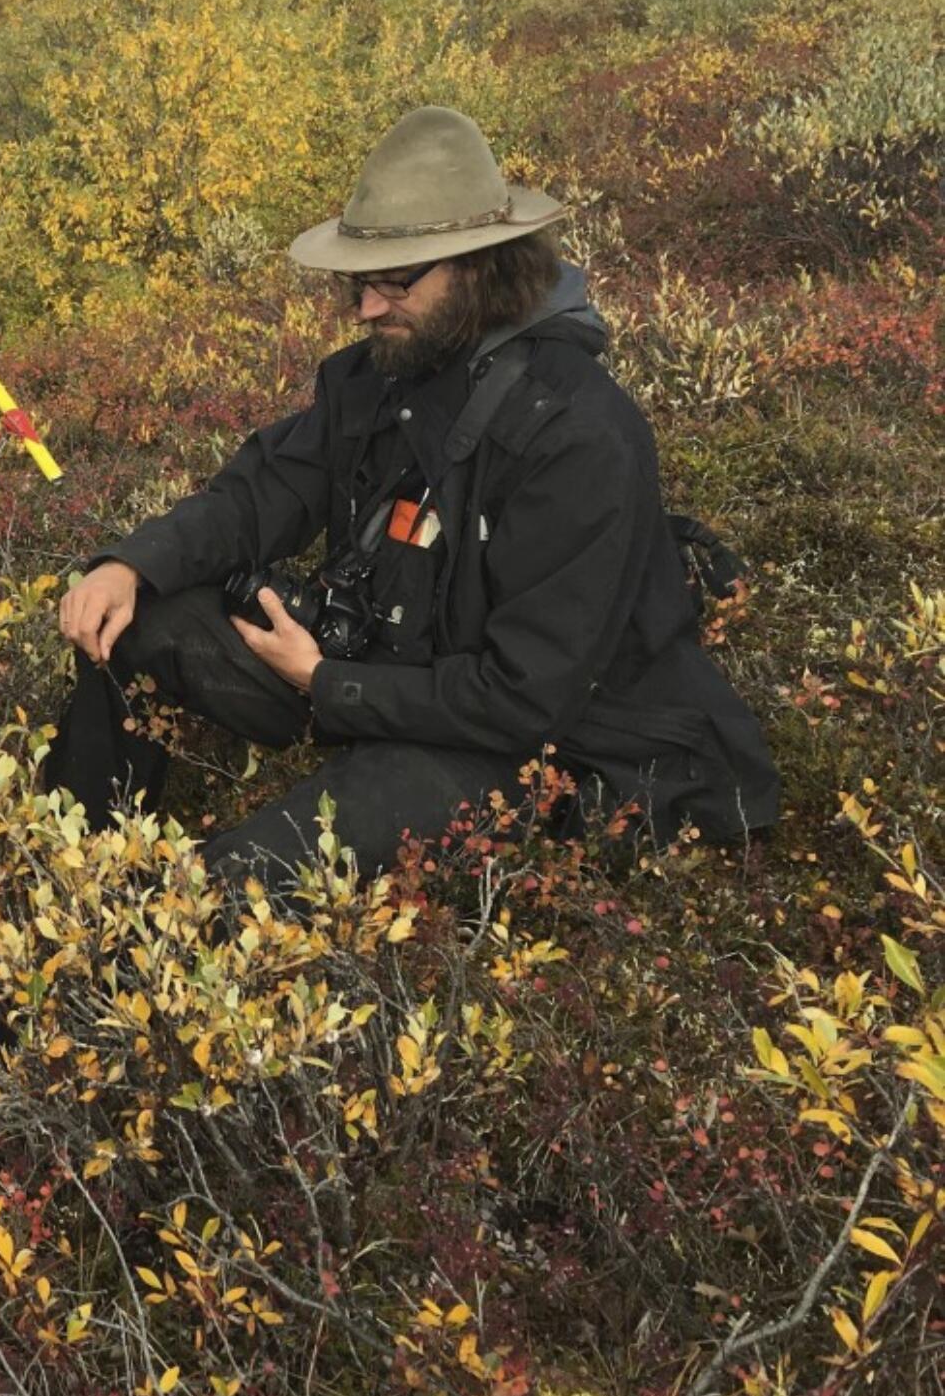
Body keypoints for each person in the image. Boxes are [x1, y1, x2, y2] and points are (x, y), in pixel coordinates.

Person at [50, 106, 779, 897]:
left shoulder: (578, 437)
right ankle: (61, 862)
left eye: (397, 282)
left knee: (239, 882)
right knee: (132, 627)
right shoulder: (377, 376)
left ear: (480, 266)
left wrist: (327, 682)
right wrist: (130, 564)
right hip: (382, 675)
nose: (367, 310)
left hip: (529, 742)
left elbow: (524, 699)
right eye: (361, 283)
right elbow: (263, 493)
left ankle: (149, 936)